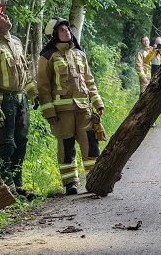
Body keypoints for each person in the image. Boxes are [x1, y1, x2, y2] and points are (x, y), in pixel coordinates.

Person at [0, 0, 38, 200]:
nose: (6, 16)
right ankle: (7, 189)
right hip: (5, 101)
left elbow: (25, 72)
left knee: (21, 142)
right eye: (1, 16)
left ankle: (18, 185)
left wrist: (33, 94)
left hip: (21, 100)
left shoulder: (16, 43)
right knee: (6, 145)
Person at [37, 17, 105, 195]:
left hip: (83, 109)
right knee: (66, 147)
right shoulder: (47, 57)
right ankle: (70, 183)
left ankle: (94, 178)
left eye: (67, 28)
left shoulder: (80, 54)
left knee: (90, 144)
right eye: (61, 29)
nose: (67, 31)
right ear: (54, 35)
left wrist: (97, 102)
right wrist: (49, 111)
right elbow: (43, 87)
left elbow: (89, 81)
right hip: (62, 112)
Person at [144, 36, 161, 127]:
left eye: (160, 43)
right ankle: (153, 121)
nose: (158, 44)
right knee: (153, 99)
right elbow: (146, 60)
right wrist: (154, 51)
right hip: (154, 77)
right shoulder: (152, 52)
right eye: (156, 43)